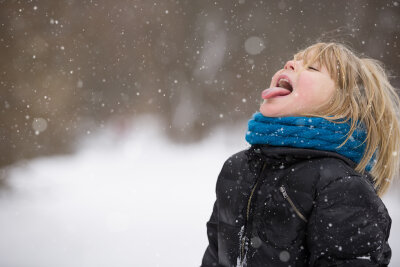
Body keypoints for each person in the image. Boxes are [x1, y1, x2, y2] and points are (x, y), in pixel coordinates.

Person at [200, 42, 400, 267]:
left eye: (312, 68)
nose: (290, 63)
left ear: (343, 106)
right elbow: (214, 257)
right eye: (294, 59)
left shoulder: (341, 187)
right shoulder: (237, 168)